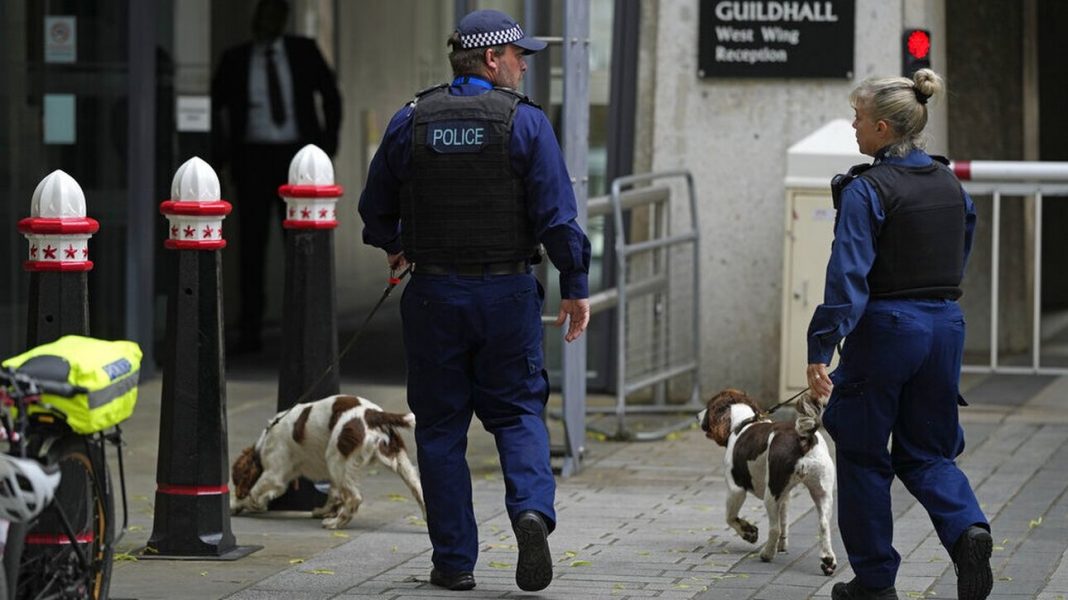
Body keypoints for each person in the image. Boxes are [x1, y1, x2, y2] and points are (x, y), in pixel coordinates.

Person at [357, 9, 591, 593]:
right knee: (515, 414)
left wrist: (395, 245)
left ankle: (454, 562)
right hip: (506, 292)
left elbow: (374, 206)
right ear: (492, 59)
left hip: (433, 292)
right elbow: (558, 217)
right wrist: (576, 285)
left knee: (439, 429)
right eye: (519, 57)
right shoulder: (525, 123)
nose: (523, 67)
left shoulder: (411, 119)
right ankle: (531, 513)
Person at [806, 68, 992, 600]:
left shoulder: (868, 189)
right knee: (929, 452)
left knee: (865, 455)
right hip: (945, 326)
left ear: (883, 128)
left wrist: (821, 346)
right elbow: (962, 245)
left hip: (888, 329)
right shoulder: (948, 181)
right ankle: (967, 531)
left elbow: (847, 278)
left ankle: (875, 583)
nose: (854, 127)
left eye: (859, 118)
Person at [210, 0, 341, 354]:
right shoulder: (235, 58)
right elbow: (212, 108)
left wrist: (325, 148)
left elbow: (330, 96)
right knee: (251, 246)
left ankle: (304, 327)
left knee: (300, 244)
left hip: (295, 156)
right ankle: (250, 328)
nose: (266, 22)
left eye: (273, 16)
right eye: (261, 16)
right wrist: (217, 157)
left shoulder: (304, 52)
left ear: (283, 21)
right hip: (251, 157)